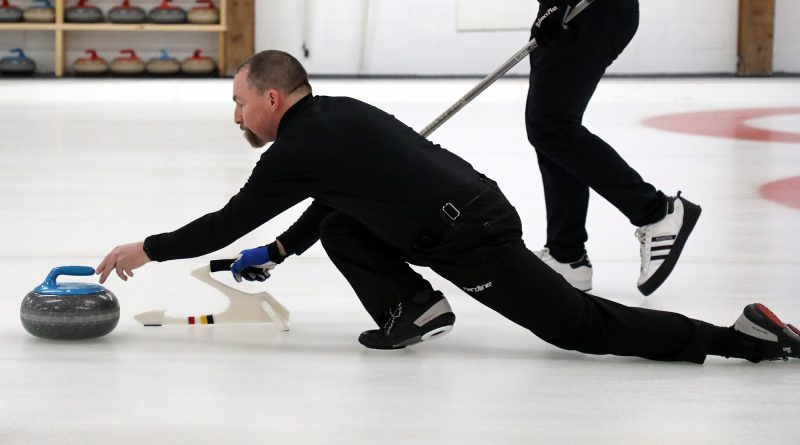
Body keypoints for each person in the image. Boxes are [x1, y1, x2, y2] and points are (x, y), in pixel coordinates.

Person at [97, 50, 799, 364]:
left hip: (468, 238)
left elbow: (227, 221)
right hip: (471, 211)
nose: (237, 117)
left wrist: (147, 248)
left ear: (272, 99)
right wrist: (282, 251)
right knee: (343, 222)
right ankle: (412, 308)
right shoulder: (337, 115)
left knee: (578, 327)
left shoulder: (296, 149)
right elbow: (335, 200)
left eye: (240, 103)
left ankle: (741, 337)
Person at [525, 0, 700, 295]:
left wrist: (556, 2)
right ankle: (566, 256)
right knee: (551, 129)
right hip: (579, 11)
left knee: (551, 126)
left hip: (588, 9)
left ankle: (656, 211)